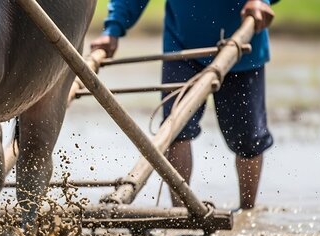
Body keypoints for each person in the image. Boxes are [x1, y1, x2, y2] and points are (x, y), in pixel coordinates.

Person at [91, 0, 278, 210]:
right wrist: (112, 29)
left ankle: (247, 211)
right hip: (182, 45)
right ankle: (180, 213)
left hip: (243, 46)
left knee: (247, 140)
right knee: (176, 129)